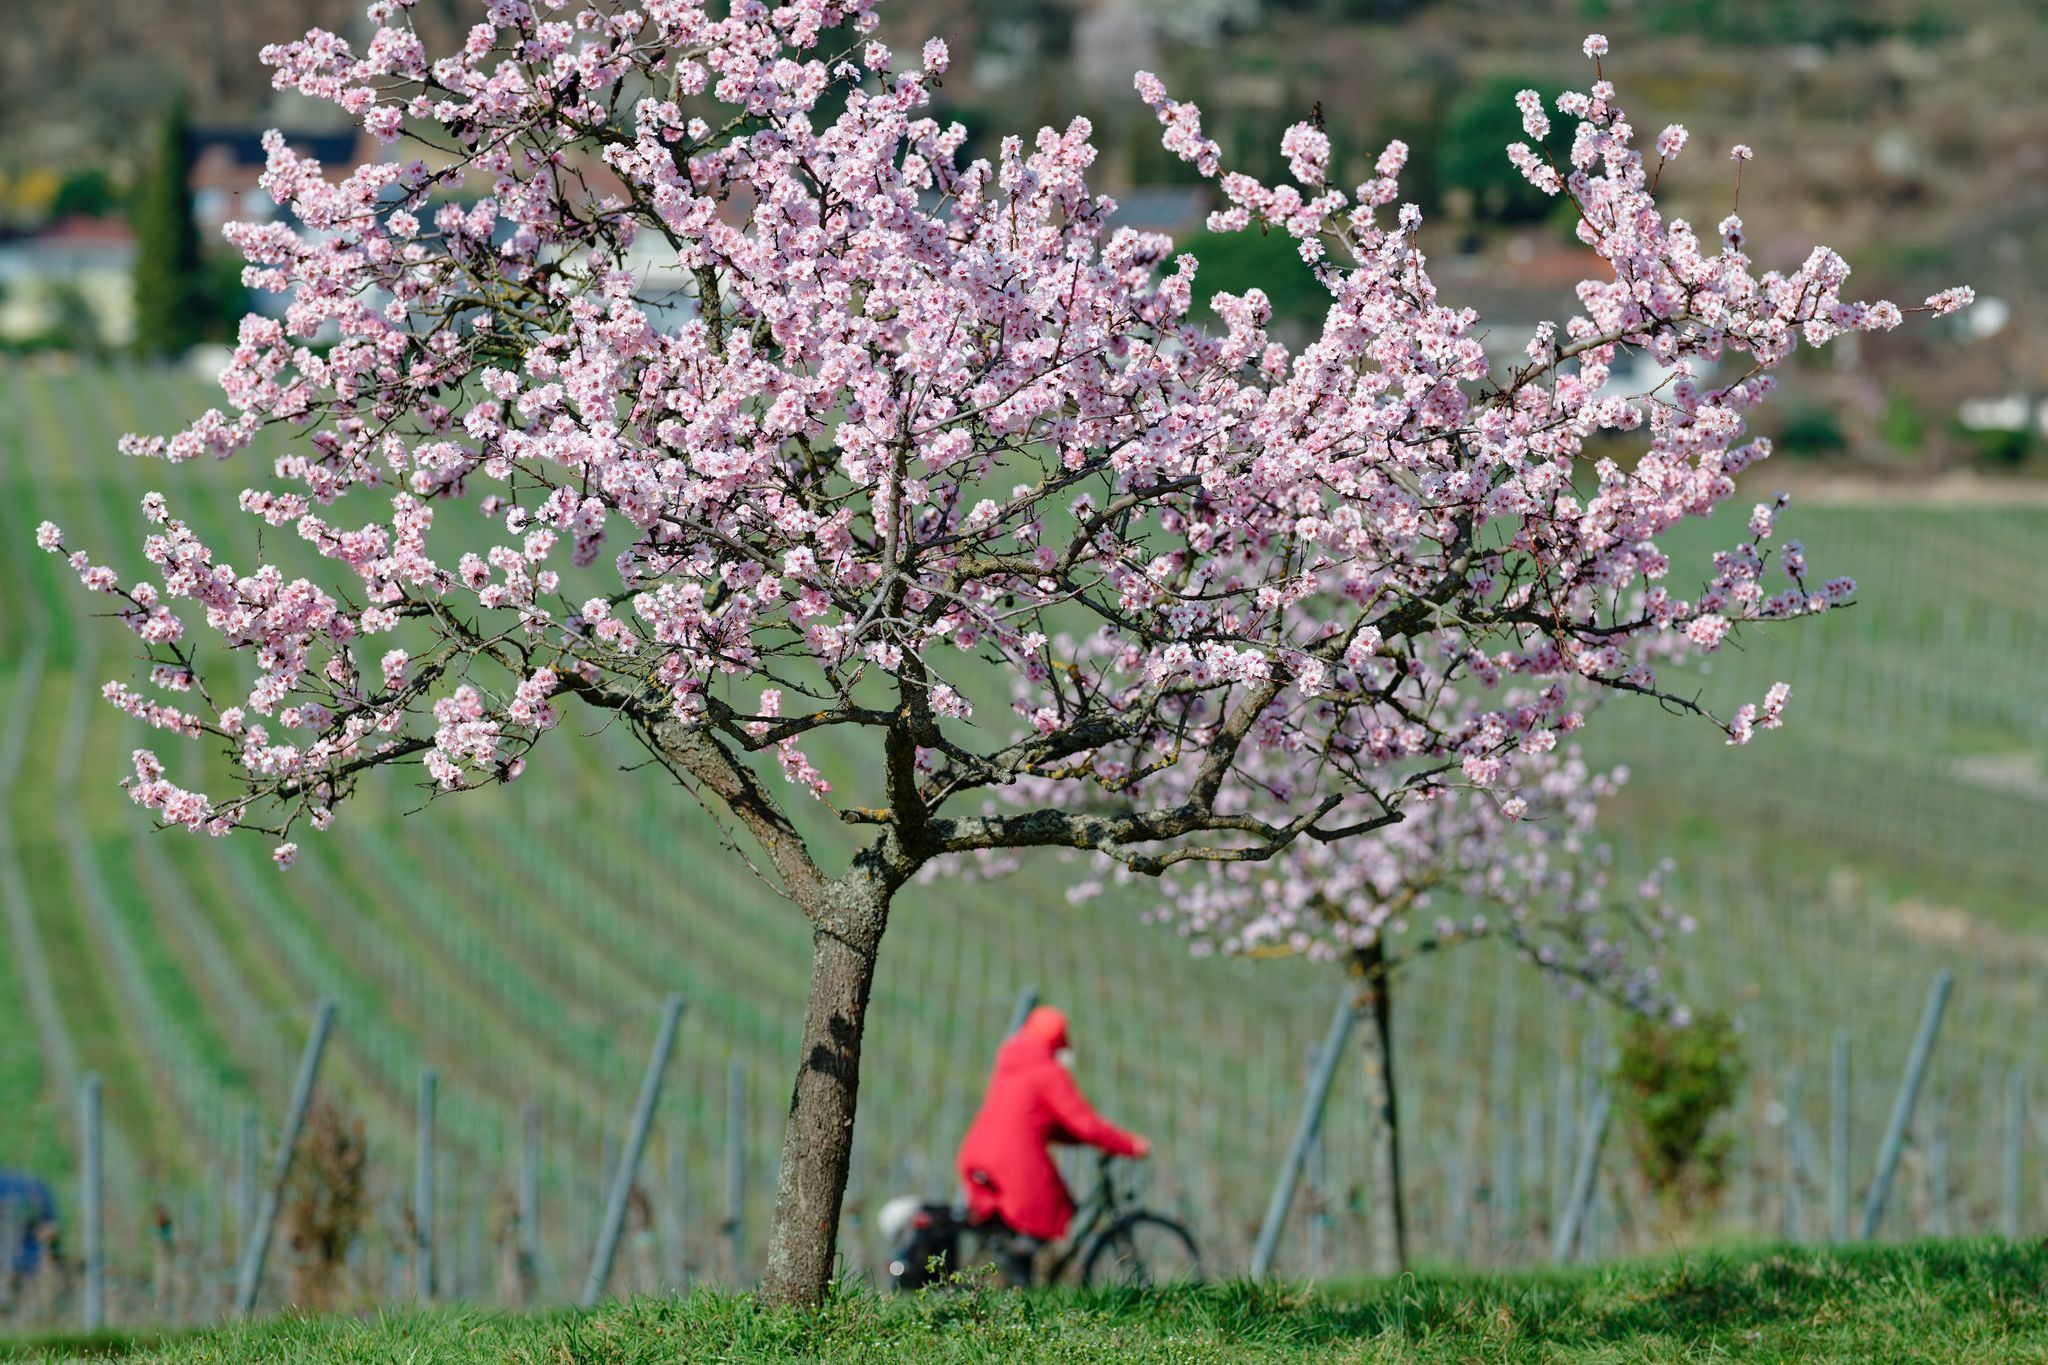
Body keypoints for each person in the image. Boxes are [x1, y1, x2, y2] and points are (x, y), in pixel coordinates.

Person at [955, 1005, 1149, 1285]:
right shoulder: (1047, 1072)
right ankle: (1018, 1278)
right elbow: (1084, 1123)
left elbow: (1042, 1122)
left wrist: (1086, 1139)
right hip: (1013, 1164)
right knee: (1048, 1210)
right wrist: (1130, 1145)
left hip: (977, 1155)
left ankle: (1012, 1279)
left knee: (1017, 1228)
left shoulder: (1010, 1063)